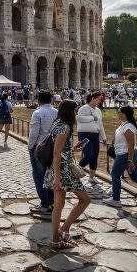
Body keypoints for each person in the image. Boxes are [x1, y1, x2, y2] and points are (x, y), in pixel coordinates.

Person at [44, 100, 92, 249]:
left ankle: (56, 240)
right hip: (63, 170)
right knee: (85, 200)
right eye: (74, 111)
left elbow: (61, 150)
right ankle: (64, 229)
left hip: (58, 168)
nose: (76, 113)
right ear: (69, 112)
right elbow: (57, 153)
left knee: (58, 205)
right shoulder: (64, 127)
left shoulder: (56, 123)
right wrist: (57, 177)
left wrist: (72, 149)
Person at [28, 91, 58, 219]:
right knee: (50, 175)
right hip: (53, 148)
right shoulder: (57, 112)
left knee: (39, 176)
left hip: (39, 149)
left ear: (39, 100)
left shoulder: (38, 113)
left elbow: (34, 132)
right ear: (51, 100)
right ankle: (52, 203)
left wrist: (30, 147)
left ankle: (44, 204)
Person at [77, 92, 108, 187]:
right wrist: (91, 118)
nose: (99, 101)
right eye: (98, 99)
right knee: (89, 155)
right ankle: (75, 171)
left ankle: (91, 177)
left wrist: (104, 137)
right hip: (84, 134)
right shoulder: (83, 108)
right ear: (92, 98)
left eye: (100, 99)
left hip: (95, 135)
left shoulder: (98, 110)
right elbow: (79, 118)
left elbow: (101, 124)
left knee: (95, 155)